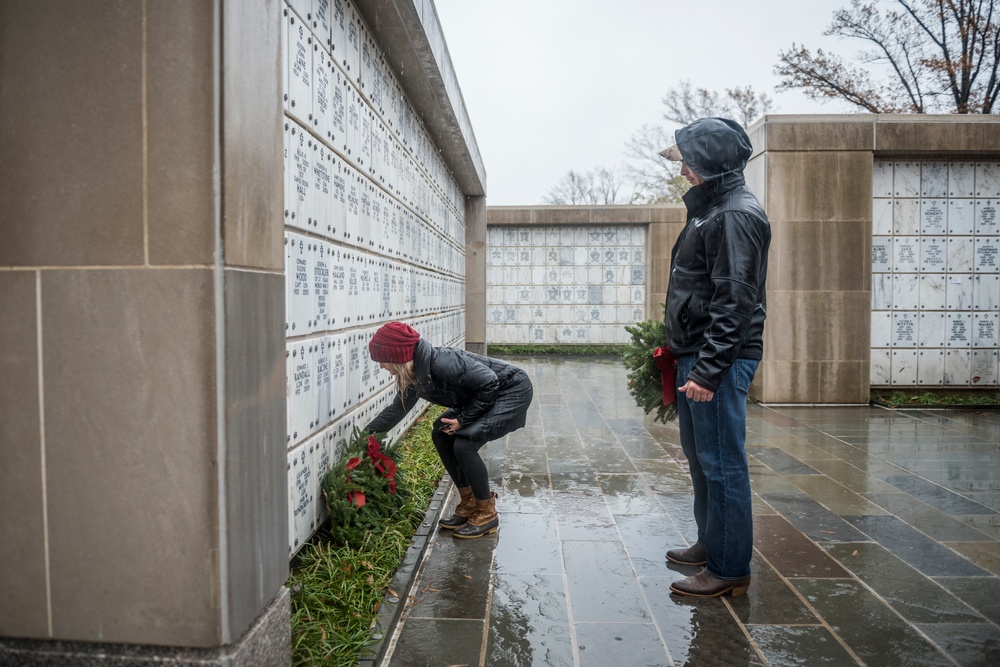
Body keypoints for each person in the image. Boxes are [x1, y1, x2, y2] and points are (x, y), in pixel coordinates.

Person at [659, 117, 770, 597]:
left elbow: (735, 301)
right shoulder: (712, 209)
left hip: (716, 361)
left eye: (687, 160)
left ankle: (728, 569)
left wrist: (707, 368)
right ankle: (711, 542)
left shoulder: (733, 215)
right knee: (702, 459)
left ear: (708, 162)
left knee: (723, 463)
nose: (682, 169)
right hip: (697, 353)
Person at [364, 321, 533, 539]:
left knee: (465, 443)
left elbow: (490, 383)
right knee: (440, 432)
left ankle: (486, 512)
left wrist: (462, 420)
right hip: (483, 396)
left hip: (511, 391)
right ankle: (469, 501)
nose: (381, 367)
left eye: (383, 360)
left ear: (398, 356)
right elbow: (398, 410)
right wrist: (365, 436)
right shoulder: (415, 373)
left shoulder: (442, 363)